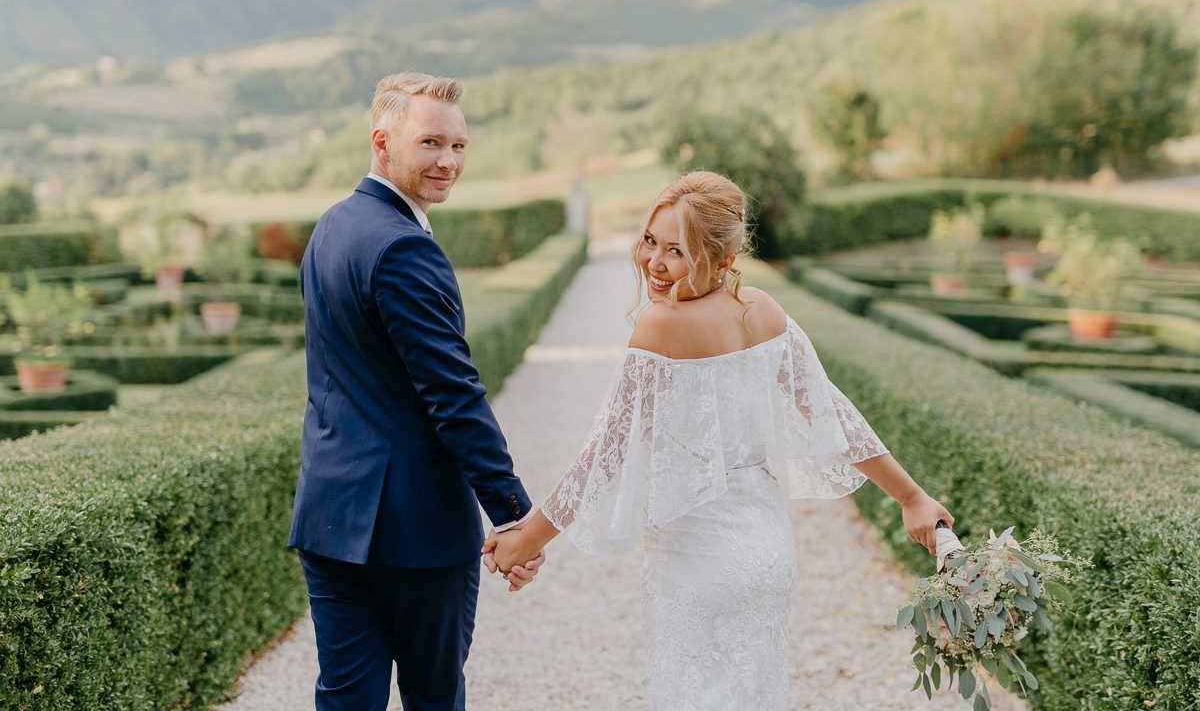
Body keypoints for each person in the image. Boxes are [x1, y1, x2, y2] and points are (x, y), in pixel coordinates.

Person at [485, 170, 954, 710]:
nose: (655, 263)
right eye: (651, 241)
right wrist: (911, 497)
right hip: (768, 552)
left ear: (724, 259)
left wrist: (530, 538)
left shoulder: (660, 326)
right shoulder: (765, 311)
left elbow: (606, 453)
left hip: (699, 558)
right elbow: (834, 416)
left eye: (677, 252)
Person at [288, 72, 544, 711]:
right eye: (431, 142)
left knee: (345, 699)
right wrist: (513, 514)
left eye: (458, 146)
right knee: (434, 698)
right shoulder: (405, 247)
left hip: (329, 518)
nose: (448, 161)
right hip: (415, 530)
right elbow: (453, 395)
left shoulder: (331, 227)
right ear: (382, 143)